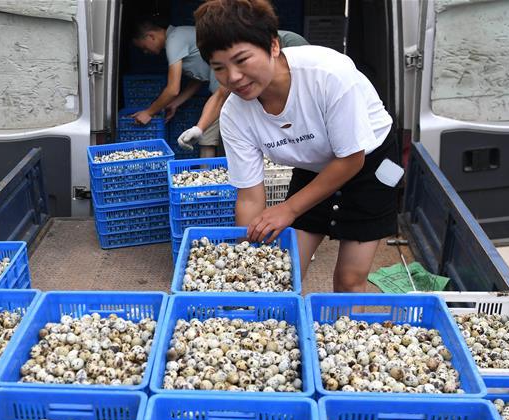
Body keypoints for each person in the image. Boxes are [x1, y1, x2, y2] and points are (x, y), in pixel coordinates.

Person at [195, 0, 401, 293]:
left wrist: (289, 209)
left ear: (273, 46)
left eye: (242, 60)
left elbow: (351, 159)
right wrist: (249, 256)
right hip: (313, 167)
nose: (233, 77)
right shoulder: (234, 115)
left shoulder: (329, 74)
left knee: (348, 279)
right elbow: (250, 197)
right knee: (282, 273)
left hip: (369, 163)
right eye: (219, 67)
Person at [131, 17, 307, 158]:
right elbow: (207, 83)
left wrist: (149, 112)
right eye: (218, 66)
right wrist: (190, 118)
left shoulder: (174, 41)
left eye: (144, 48)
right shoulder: (187, 40)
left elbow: (172, 88)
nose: (234, 76)